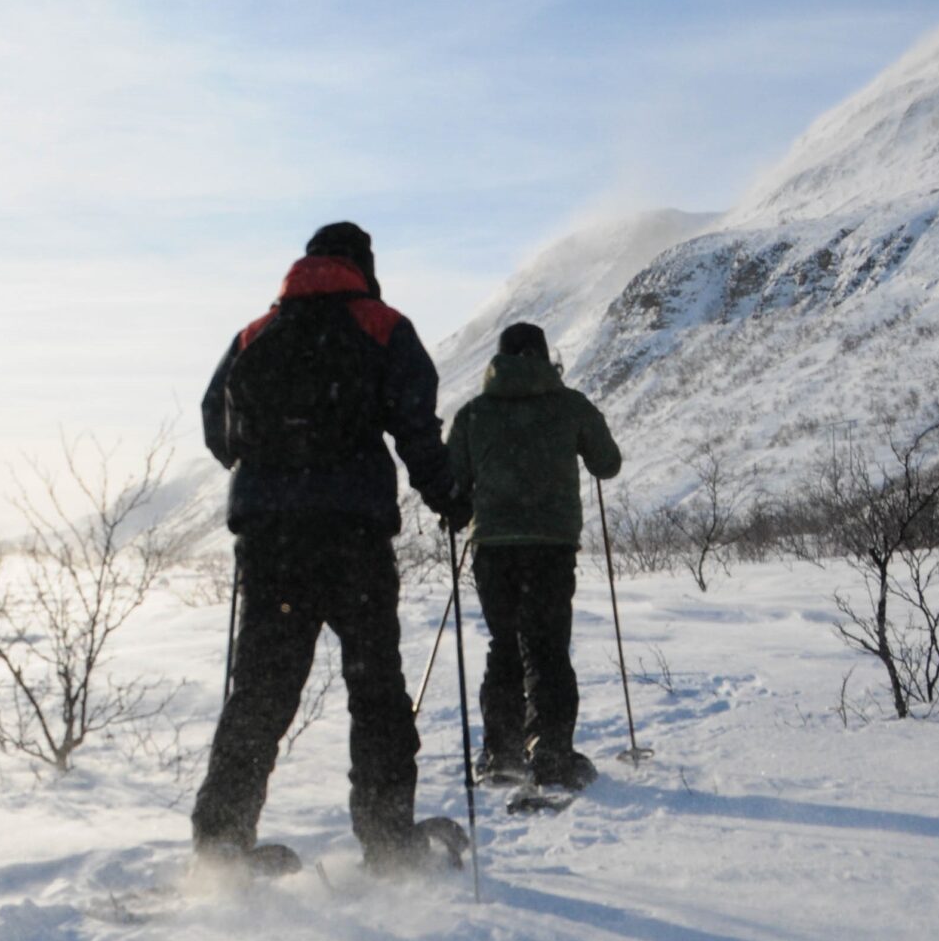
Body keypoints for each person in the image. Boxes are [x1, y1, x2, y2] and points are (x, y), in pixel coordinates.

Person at [190, 222, 466, 876]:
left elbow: (215, 422)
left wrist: (262, 461)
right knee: (375, 689)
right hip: (352, 536)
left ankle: (221, 845)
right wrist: (449, 497)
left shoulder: (255, 335)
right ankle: (387, 840)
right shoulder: (382, 326)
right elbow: (416, 429)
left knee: (260, 690)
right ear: (364, 266)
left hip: (270, 541)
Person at [445, 321, 622, 792]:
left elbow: (452, 485)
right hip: (550, 545)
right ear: (547, 358)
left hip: (493, 549)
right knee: (545, 646)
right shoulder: (570, 406)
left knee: (505, 642)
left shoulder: (474, 414)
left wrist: (462, 508)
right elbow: (608, 463)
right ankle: (550, 752)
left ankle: (501, 752)